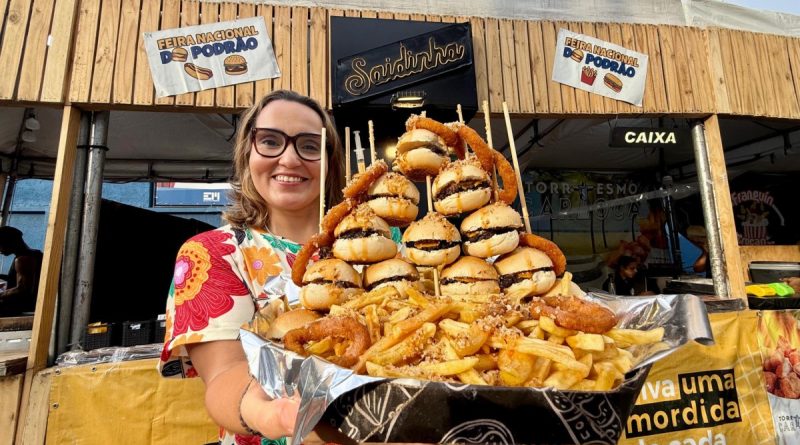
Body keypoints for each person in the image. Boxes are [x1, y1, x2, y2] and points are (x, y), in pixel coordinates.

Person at [158, 90, 346, 444]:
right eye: (271, 141)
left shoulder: (383, 248)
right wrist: (266, 412)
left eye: (309, 145)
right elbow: (224, 374)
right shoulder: (212, 254)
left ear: (330, 162)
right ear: (247, 154)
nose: (289, 159)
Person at [0, 226, 43, 317]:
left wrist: (1, 294)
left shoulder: (22, 260)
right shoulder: (35, 254)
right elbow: (21, 276)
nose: (0, 249)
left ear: (9, 242)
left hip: (21, 308)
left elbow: (22, 290)